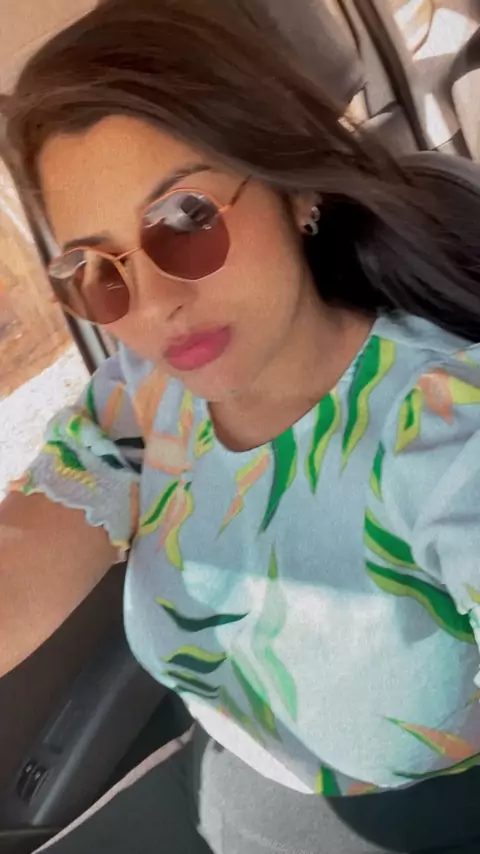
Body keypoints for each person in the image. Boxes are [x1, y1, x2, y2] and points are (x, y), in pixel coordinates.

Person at [2, 1, 480, 851]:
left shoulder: (446, 434)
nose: (153, 304)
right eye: (95, 268)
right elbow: (21, 560)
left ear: (295, 186)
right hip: (225, 782)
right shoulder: (144, 395)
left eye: (186, 219)